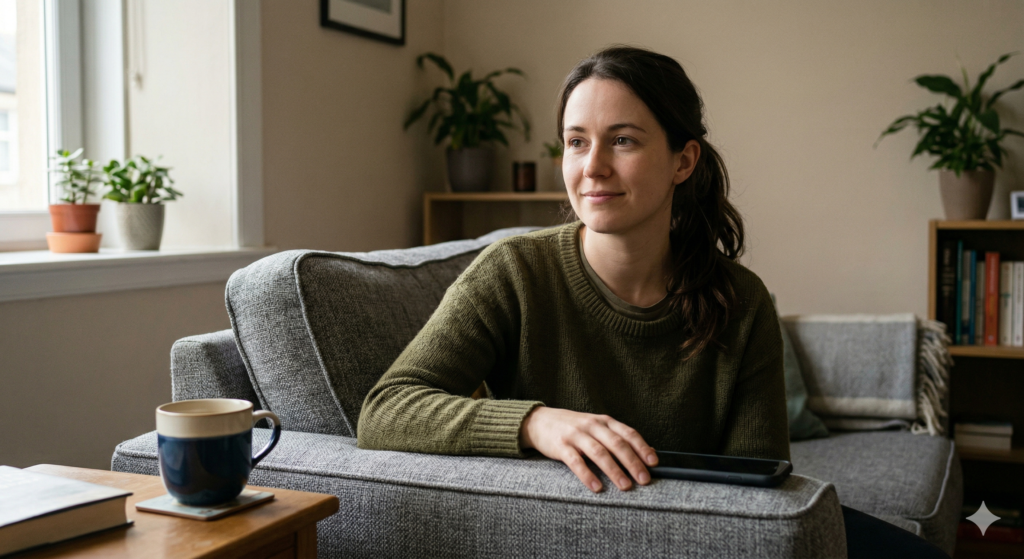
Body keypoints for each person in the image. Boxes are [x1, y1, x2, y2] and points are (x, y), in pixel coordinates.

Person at [358, 45, 948, 559]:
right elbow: (386, 409)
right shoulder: (513, 271)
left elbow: (759, 499)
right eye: (575, 142)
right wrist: (538, 423)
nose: (592, 168)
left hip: (701, 539)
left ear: (683, 162)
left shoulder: (743, 303)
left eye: (622, 141)